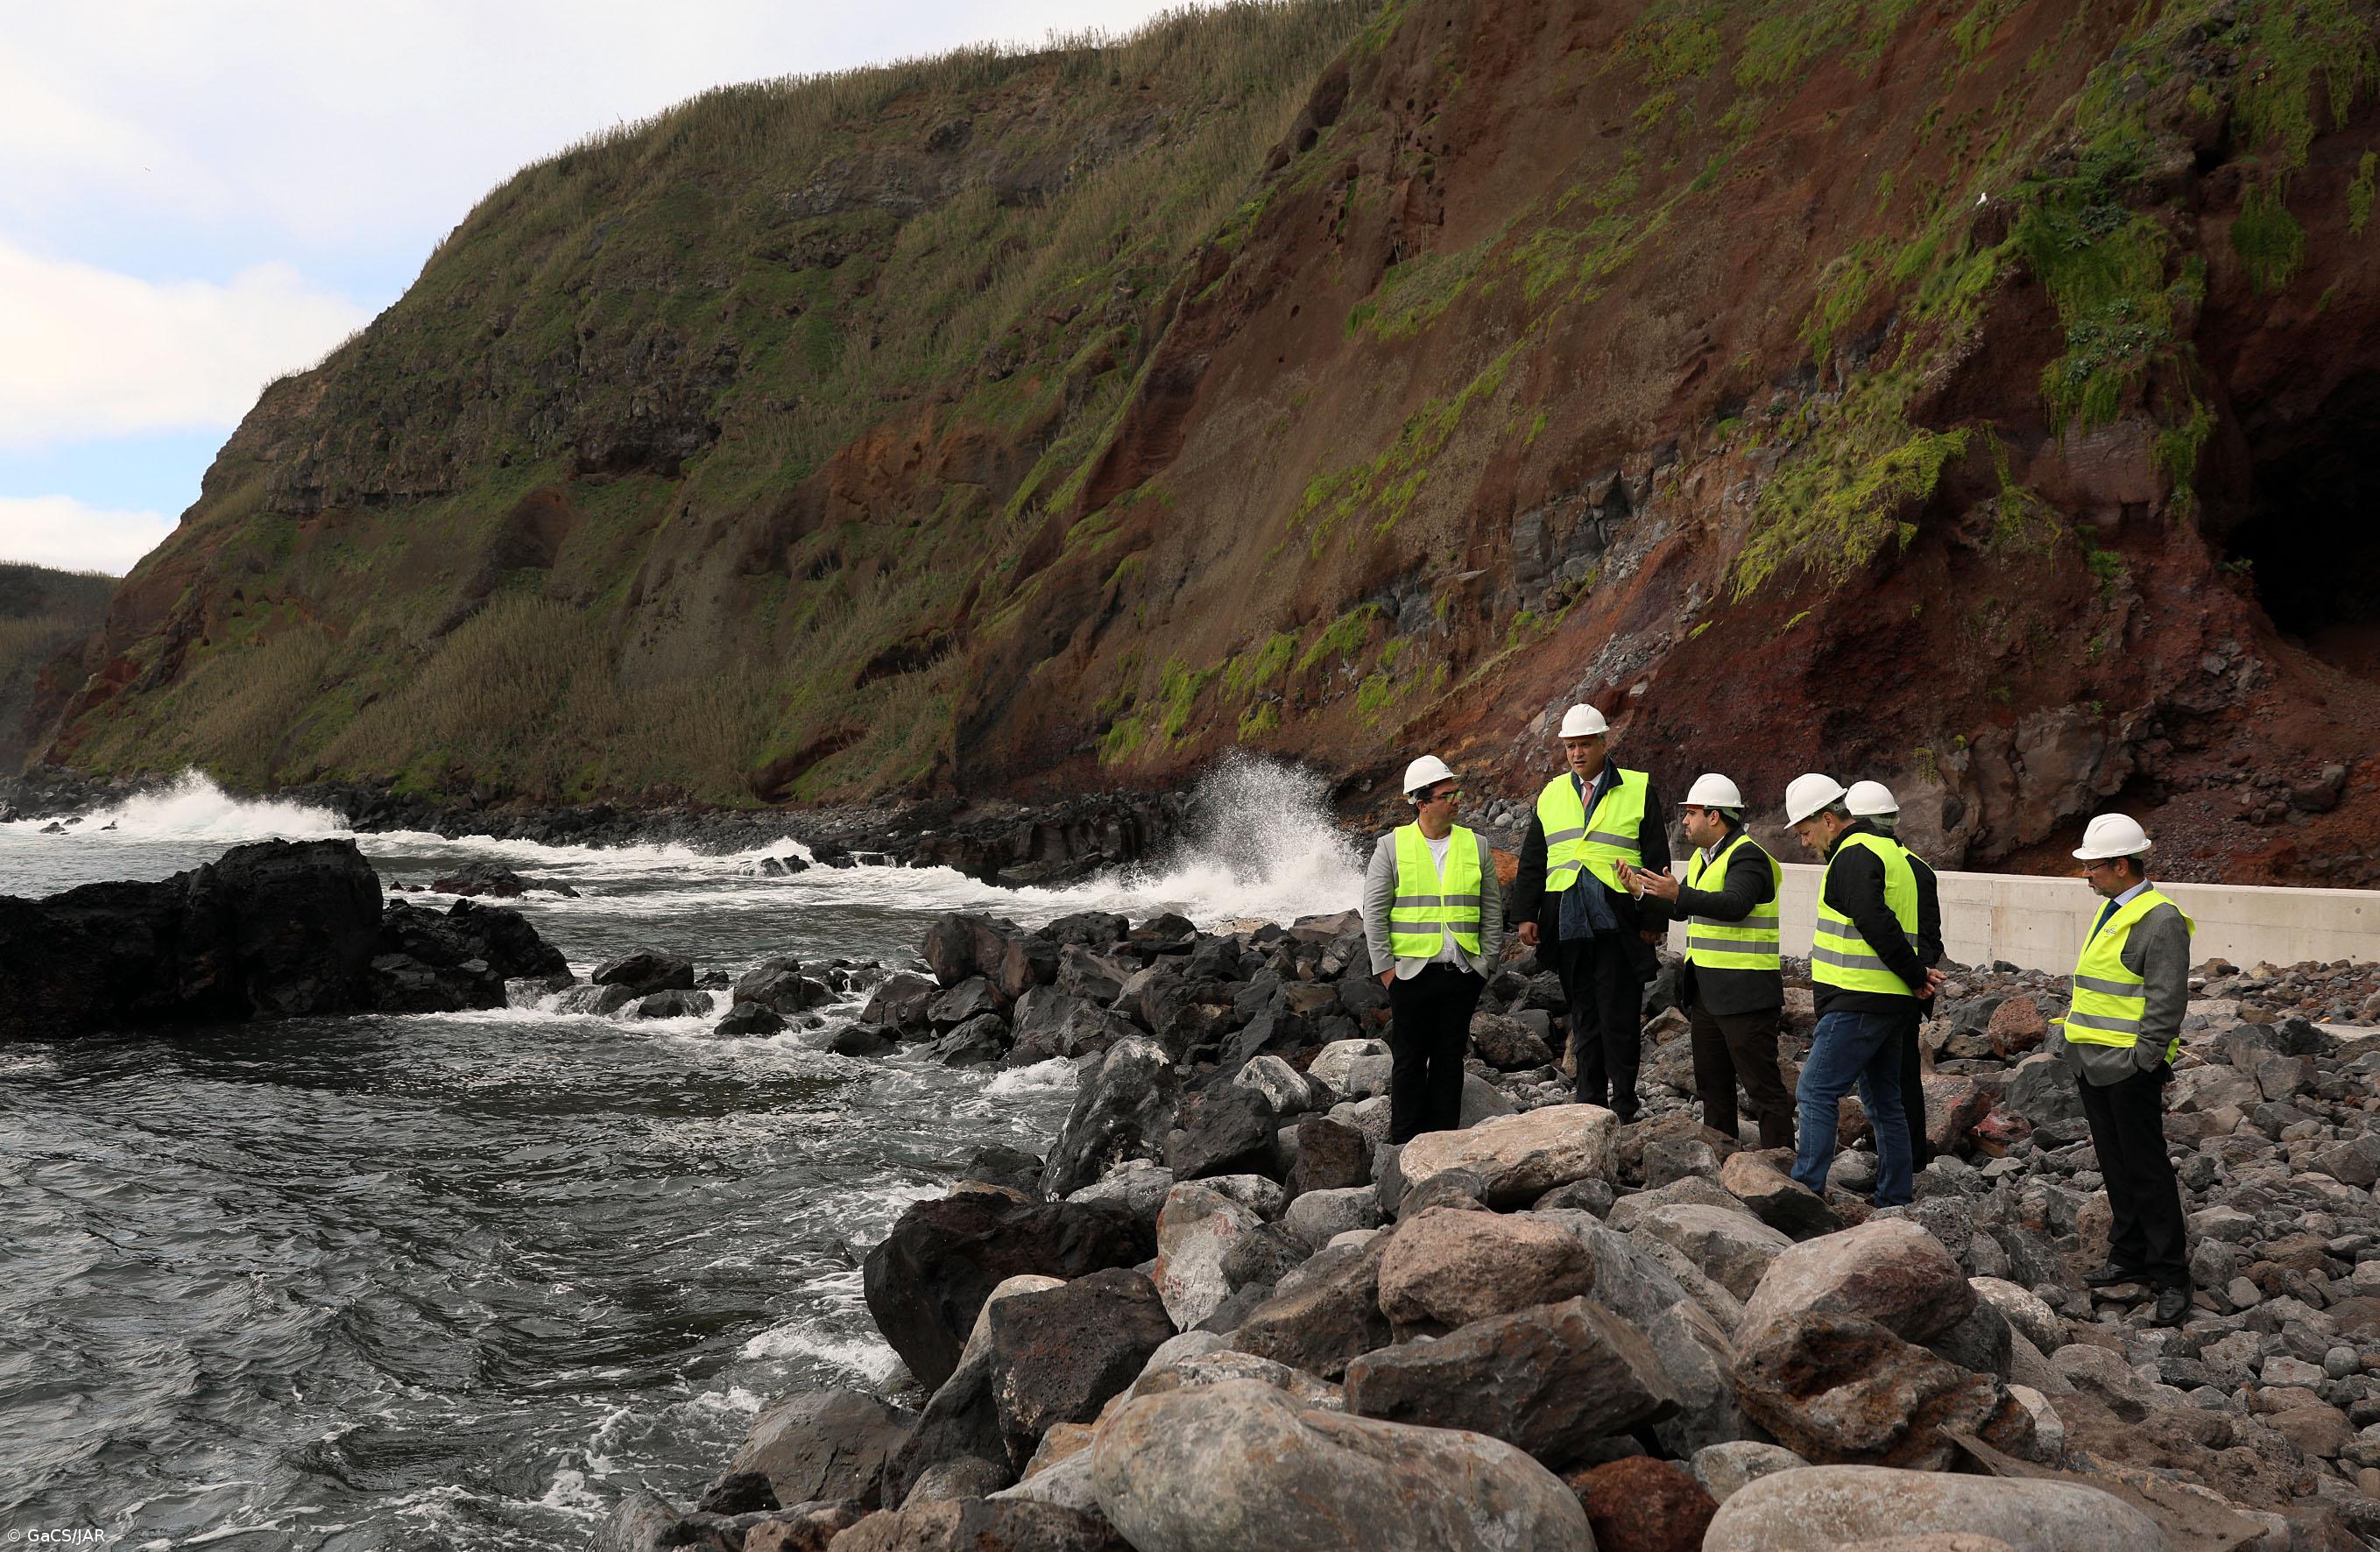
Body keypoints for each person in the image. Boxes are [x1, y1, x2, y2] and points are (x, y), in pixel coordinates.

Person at [1781, 773, 1944, 1207]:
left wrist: (1914, 973)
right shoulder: (1895, 853)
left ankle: (1806, 1191)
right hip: (1891, 1003)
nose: (1804, 842)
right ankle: (1895, 1196)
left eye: (1806, 831)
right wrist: (1914, 977)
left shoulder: (1853, 853)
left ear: (1830, 820)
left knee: (1815, 1090)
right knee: (1886, 1100)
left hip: (1858, 1000)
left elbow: (1873, 920)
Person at [2060, 812, 2193, 1326]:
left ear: (2121, 865)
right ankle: (2129, 1255)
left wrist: (2147, 1057)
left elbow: (2167, 998)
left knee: (2146, 1167)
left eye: (2094, 866)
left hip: (2129, 1065)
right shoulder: (2116, 910)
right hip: (2093, 1060)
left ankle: (2170, 1274)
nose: (2086, 874)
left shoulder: (2160, 919)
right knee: (2117, 1165)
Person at [1506, 703, 1669, 1121]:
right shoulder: (1552, 793)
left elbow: (1655, 855)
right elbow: (1533, 859)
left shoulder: (1636, 788)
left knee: (1619, 1012)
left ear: (1603, 743)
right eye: (1569, 746)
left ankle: (1625, 1102)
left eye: (1583, 745)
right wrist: (1526, 914)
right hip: (1567, 917)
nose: (1576, 753)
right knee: (1584, 1012)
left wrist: (1653, 920)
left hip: (1618, 918)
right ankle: (1590, 1101)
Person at [1634, 773, 1791, 1148]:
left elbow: (1736, 905)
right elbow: (1682, 907)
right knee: (1712, 1085)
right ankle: (1722, 1162)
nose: (1685, 821)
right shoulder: (1706, 859)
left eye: (1691, 813)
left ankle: (1781, 1166)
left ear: (1715, 816)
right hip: (1708, 993)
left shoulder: (1748, 856)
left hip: (1746, 995)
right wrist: (1640, 892)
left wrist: (1679, 893)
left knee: (1762, 1087)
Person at [1362, 755, 1506, 1144]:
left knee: (1448, 1060)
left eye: (1455, 793)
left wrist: (1485, 964)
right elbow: (1373, 913)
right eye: (1447, 795)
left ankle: (1443, 1141)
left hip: (1461, 973)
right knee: (1409, 1061)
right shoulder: (1391, 847)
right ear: (1422, 803)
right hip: (1410, 975)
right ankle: (1404, 1142)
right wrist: (1386, 971)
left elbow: (1492, 911)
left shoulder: (1475, 845)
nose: (1456, 800)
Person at [1846, 780, 1944, 1171]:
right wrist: (1921, 979)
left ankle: (1903, 1165)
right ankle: (1906, 1162)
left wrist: (1915, 978)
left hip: (1882, 992)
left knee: (1890, 1086)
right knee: (1900, 1083)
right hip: (1906, 992)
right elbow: (1930, 938)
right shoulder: (1918, 867)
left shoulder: (1863, 861)